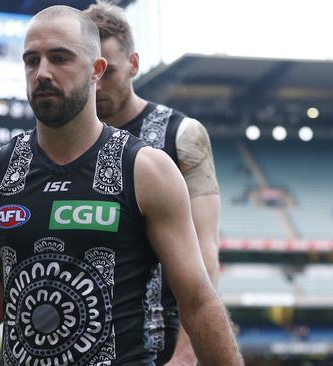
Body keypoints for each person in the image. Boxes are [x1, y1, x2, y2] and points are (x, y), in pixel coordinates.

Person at [0, 6, 242, 365]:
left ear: (97, 70)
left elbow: (198, 300)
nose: (42, 72)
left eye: (60, 58)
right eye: (32, 61)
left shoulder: (147, 169)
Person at [84, 2, 222, 365]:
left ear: (133, 64)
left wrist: (186, 353)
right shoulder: (60, 144)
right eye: (89, 72)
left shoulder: (182, 136)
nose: (96, 84)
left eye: (108, 71)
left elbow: (205, 252)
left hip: (160, 345)